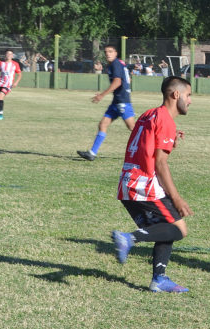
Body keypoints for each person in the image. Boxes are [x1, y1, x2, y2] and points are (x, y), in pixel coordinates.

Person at [111, 76, 193, 293]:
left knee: (166, 227)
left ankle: (159, 279)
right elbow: (160, 163)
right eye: (189, 95)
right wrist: (176, 197)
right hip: (144, 184)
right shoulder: (166, 119)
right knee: (178, 228)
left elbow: (146, 144)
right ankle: (129, 238)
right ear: (176, 94)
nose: (190, 101)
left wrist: (170, 138)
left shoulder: (150, 114)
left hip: (127, 182)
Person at [77, 45, 134, 161]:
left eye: (111, 51)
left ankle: (154, 146)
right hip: (116, 101)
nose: (108, 54)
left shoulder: (115, 64)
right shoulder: (120, 63)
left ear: (116, 53)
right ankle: (92, 153)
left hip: (122, 101)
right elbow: (128, 78)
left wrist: (102, 95)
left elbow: (117, 82)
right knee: (103, 124)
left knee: (134, 128)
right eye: (106, 52)